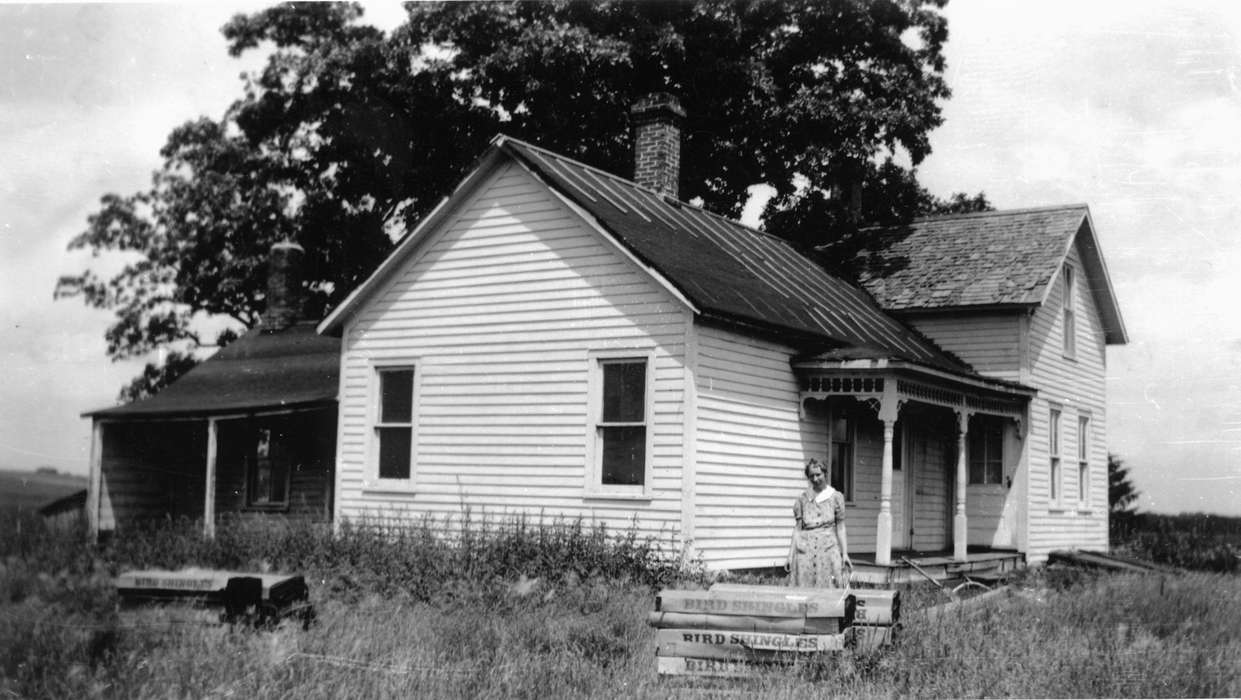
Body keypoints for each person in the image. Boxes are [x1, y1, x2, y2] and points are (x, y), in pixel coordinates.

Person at [788, 458, 852, 587]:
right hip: (805, 552)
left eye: (818, 474)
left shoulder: (835, 497)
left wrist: (844, 553)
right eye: (812, 476)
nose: (815, 479)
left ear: (825, 474)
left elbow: (840, 527)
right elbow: (797, 530)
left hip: (828, 550)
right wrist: (790, 556)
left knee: (831, 588)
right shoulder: (803, 499)